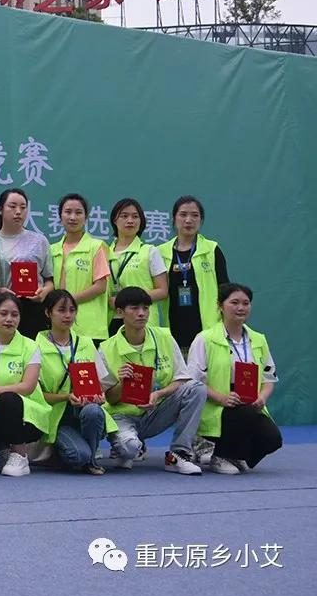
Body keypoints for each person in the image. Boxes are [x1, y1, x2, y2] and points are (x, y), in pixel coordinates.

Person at [101, 286, 207, 475]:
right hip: (122, 415)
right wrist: (122, 384)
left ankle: (179, 454)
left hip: (156, 411)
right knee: (129, 450)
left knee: (196, 388)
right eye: (134, 308)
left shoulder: (164, 337)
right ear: (119, 312)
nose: (142, 313)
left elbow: (181, 380)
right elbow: (109, 399)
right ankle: (124, 446)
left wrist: (158, 394)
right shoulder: (106, 349)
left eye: (145, 308)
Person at [187, 283, 282, 474]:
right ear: (220, 306)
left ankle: (236, 455)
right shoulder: (205, 338)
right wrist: (221, 398)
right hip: (215, 404)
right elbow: (192, 381)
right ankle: (220, 456)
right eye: (234, 302)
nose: (241, 308)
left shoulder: (258, 339)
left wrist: (262, 397)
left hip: (251, 403)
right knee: (244, 414)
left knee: (273, 439)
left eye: (246, 303)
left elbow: (269, 377)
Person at [0, 293, 51, 477]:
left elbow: (28, 386)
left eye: (14, 314)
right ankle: (4, 448)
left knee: (7, 399)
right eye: (3, 314)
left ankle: (20, 454)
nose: (9, 319)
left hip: (26, 416)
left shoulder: (30, 346)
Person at [36, 290, 117, 475]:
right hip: (57, 418)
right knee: (78, 456)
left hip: (85, 412)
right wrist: (66, 397)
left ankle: (91, 460)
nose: (68, 315)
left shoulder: (86, 343)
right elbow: (37, 396)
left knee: (94, 410)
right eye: (61, 310)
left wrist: (99, 396)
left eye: (72, 310)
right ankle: (66, 451)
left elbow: (101, 384)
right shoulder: (35, 347)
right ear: (48, 313)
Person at [158, 196, 230, 350]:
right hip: (173, 333)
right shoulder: (160, 252)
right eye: (183, 214)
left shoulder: (212, 249)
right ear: (174, 218)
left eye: (195, 215)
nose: (188, 220)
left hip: (208, 333)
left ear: (201, 220)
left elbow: (225, 290)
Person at [0, 188, 54, 338]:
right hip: (2, 307)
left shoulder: (39, 241)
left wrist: (44, 292)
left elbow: (49, 280)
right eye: (12, 206)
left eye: (23, 208)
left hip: (33, 307)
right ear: (0, 209)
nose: (18, 212)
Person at [50, 194, 111, 343]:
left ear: (86, 217)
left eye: (78, 213)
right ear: (60, 216)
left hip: (89, 328)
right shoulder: (52, 249)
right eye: (68, 212)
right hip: (59, 327)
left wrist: (67, 303)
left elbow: (100, 286)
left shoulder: (96, 246)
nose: (73, 217)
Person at [107, 198, 168, 336]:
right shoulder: (104, 253)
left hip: (142, 321)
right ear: (114, 220)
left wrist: (128, 301)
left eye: (135, 216)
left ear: (141, 222)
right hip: (110, 320)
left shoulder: (150, 251)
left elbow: (162, 291)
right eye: (124, 216)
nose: (130, 220)